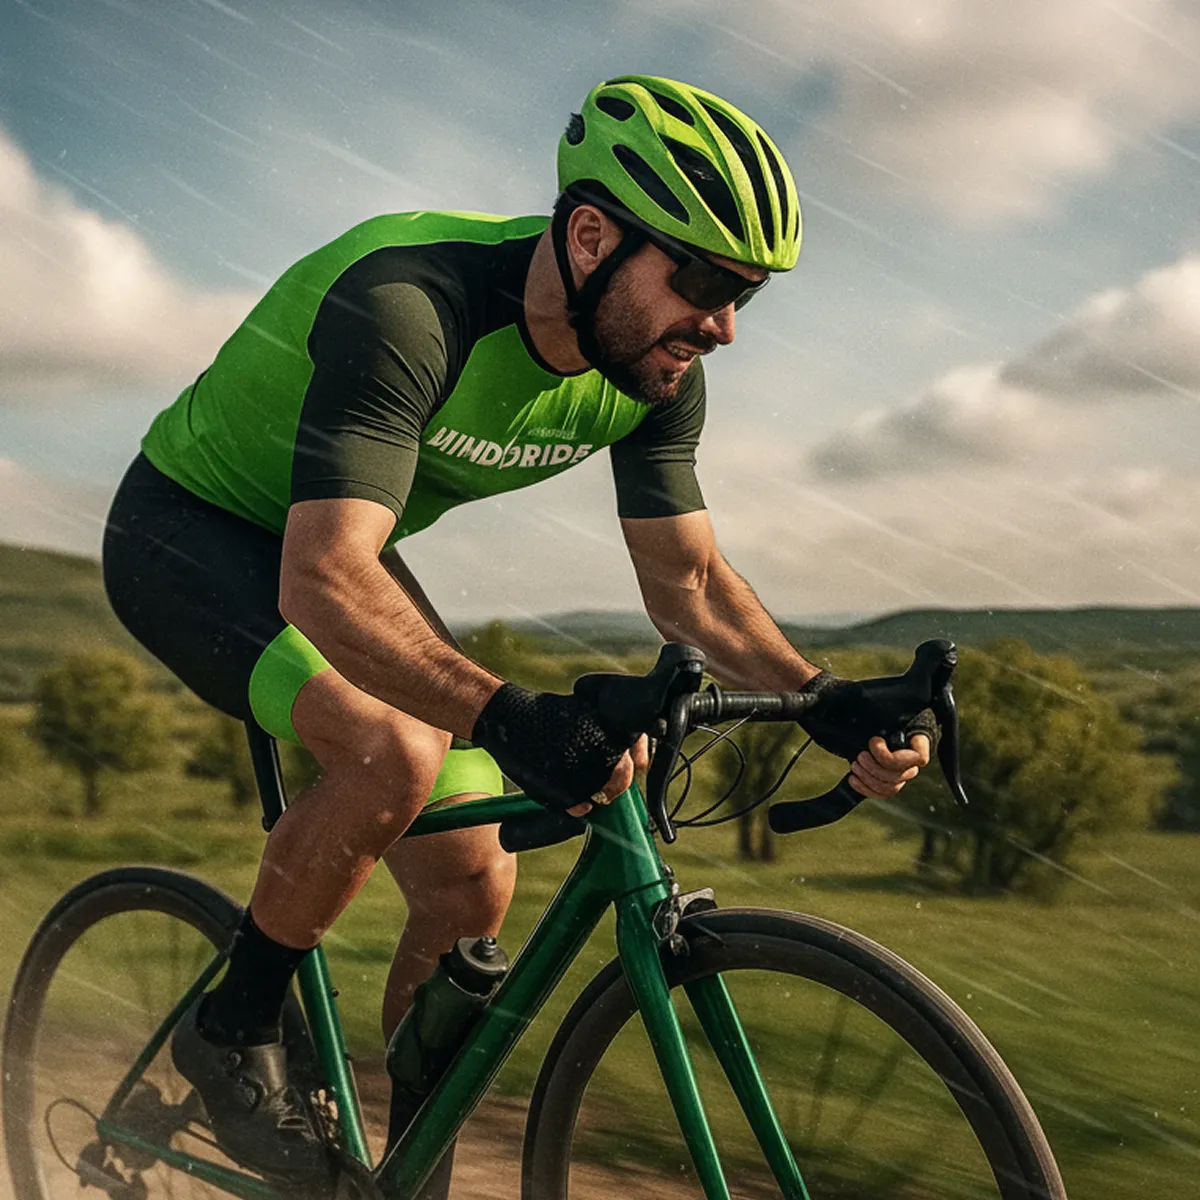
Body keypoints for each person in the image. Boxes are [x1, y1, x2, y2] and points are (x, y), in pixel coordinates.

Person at [101, 75, 931, 1180]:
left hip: (335, 542)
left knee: (471, 882)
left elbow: (686, 581)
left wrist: (821, 695)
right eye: (703, 282)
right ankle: (230, 1026)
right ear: (591, 235)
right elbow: (326, 581)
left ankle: (411, 1175)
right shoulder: (414, 302)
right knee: (391, 750)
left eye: (750, 296)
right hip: (193, 532)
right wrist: (509, 713)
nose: (725, 326)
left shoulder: (650, 368)